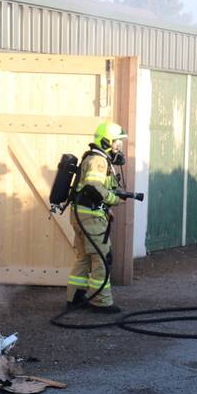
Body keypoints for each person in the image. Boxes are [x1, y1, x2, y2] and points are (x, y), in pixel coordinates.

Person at [66, 122, 136, 314]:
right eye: (116, 143)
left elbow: (91, 191)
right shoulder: (99, 161)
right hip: (90, 217)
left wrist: (107, 207)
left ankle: (74, 298)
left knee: (84, 258)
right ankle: (101, 302)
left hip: (81, 214)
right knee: (102, 257)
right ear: (106, 141)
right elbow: (93, 186)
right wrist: (114, 199)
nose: (118, 148)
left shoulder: (95, 157)